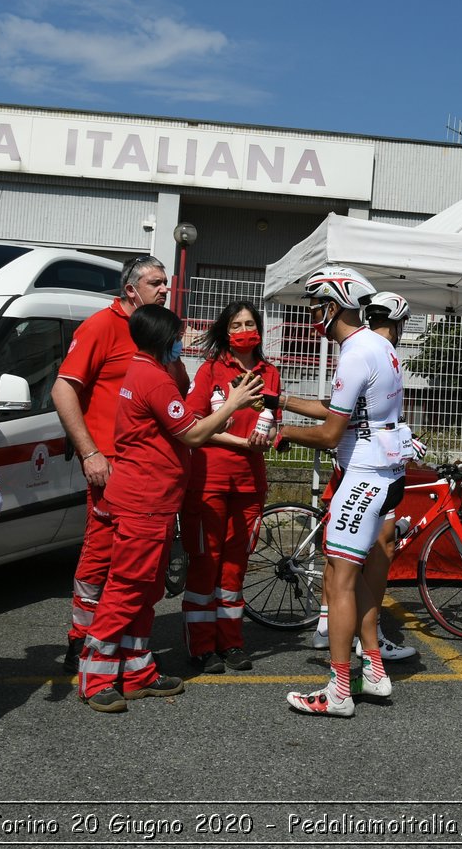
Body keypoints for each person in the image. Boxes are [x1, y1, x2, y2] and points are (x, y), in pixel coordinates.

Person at [79, 305, 261, 712]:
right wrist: (231, 404)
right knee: (127, 588)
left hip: (152, 500)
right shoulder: (154, 381)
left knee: (146, 589)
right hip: (145, 500)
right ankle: (96, 675)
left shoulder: (145, 372)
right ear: (164, 340)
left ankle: (137, 670)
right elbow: (194, 433)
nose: (185, 341)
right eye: (179, 335)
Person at [274, 266, 412, 717]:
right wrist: (280, 401)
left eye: (316, 307)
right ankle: (373, 669)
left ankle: (338, 692)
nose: (313, 315)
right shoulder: (378, 345)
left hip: (365, 473)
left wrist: (288, 430)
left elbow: (332, 432)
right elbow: (346, 411)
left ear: (333, 307)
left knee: (339, 582)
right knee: (358, 575)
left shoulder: (353, 353)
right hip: (386, 470)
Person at [51, 255, 171, 672]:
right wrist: (90, 452)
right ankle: (81, 642)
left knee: (140, 568)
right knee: (100, 560)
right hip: (111, 469)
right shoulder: (101, 326)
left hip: (148, 475)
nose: (164, 289)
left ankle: (127, 654)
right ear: (131, 289)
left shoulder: (155, 331)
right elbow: (63, 390)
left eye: (166, 282)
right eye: (156, 283)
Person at [179, 301, 281, 674]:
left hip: (250, 483)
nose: (243, 331)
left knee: (236, 567)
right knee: (206, 564)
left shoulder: (270, 373)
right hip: (208, 481)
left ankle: (231, 642)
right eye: (236, 325)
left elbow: (272, 420)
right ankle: (202, 647)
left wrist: (266, 436)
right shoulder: (209, 371)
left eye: (250, 323)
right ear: (225, 332)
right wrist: (239, 443)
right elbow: (193, 423)